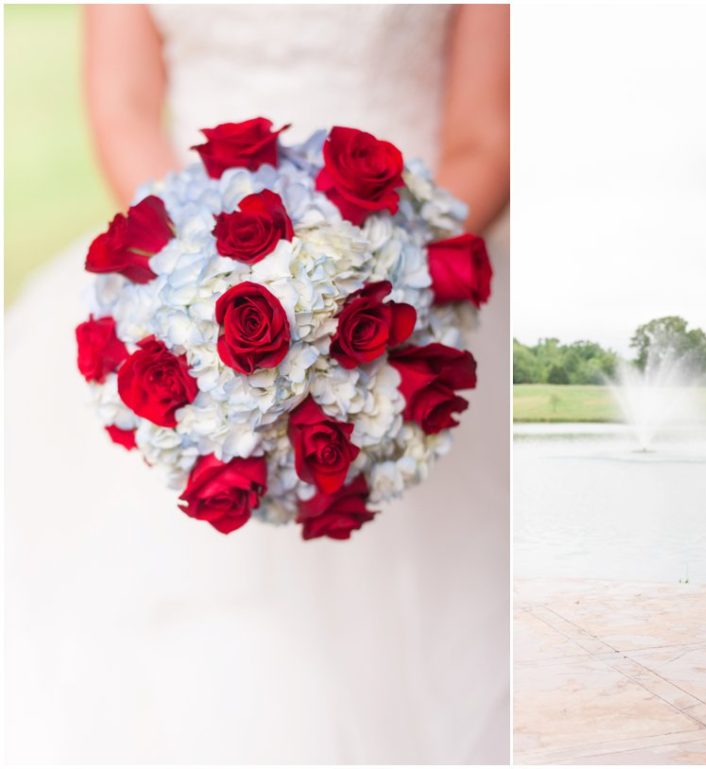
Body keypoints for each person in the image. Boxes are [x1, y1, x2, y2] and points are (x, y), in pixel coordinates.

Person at [4, 5, 509, 763]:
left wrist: (379, 270)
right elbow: (124, 106)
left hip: (406, 268)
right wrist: (202, 276)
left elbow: (487, 131)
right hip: (189, 253)